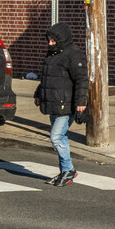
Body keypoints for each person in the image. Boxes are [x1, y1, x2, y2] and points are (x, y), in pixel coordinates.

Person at [37, 23, 89, 186]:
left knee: (56, 137)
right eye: (49, 40)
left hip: (66, 104)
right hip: (54, 102)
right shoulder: (52, 54)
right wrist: (39, 94)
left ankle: (68, 169)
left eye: (53, 40)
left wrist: (81, 102)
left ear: (62, 39)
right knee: (62, 138)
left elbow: (81, 79)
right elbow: (46, 77)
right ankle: (64, 172)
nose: (50, 43)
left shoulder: (73, 55)